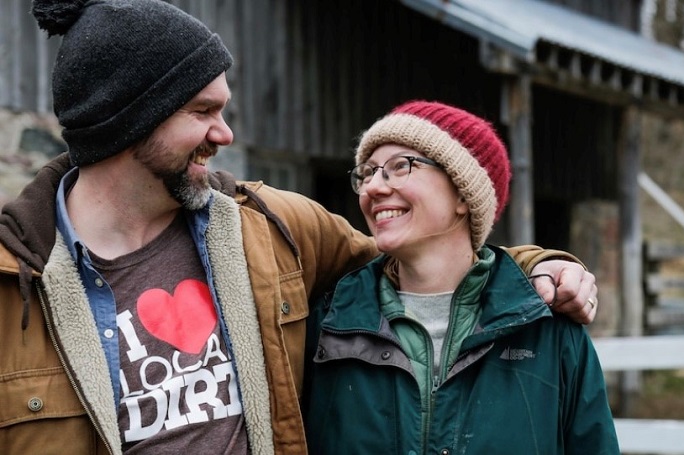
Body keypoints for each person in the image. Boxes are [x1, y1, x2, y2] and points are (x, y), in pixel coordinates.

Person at [0, 1, 599, 454]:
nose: (225, 133)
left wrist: (539, 265)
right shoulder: (12, 283)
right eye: (202, 112)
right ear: (130, 120)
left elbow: (418, 261)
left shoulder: (276, 227)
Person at [302, 101, 619, 454]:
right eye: (369, 172)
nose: (373, 187)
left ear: (463, 195)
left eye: (399, 166)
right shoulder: (330, 324)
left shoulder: (549, 331)